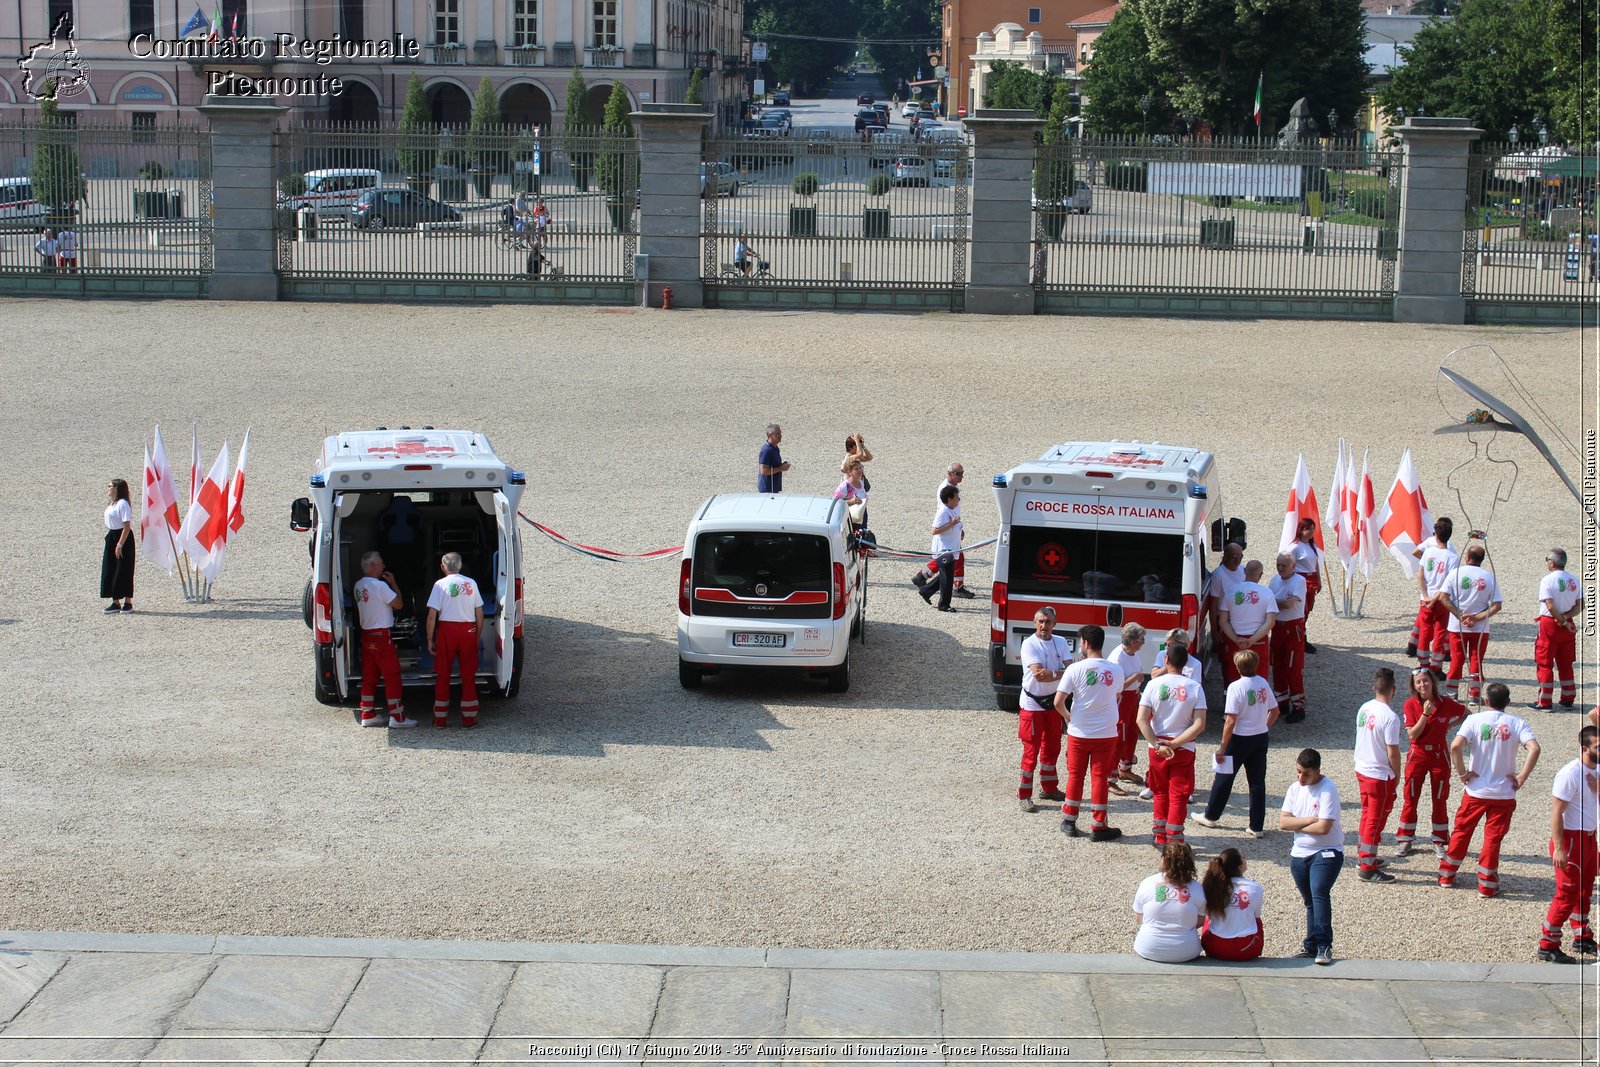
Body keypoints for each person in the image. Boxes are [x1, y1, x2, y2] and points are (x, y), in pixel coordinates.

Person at [1440, 682, 1540, 896]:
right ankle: (1486, 884)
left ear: (1486, 701)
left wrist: (1462, 773)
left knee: (1462, 831)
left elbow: (1456, 746)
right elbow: (1534, 748)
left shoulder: (1474, 720)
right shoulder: (1517, 723)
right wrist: (1521, 776)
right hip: (1503, 793)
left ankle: (1447, 874)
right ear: (1508, 702)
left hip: (1476, 790)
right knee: (1493, 838)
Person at [1194, 650, 1280, 836]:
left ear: (1237, 666)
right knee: (1257, 783)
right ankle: (1256, 826)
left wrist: (1222, 747)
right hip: (1260, 737)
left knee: (1224, 778)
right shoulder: (1263, 683)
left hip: (1240, 738)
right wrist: (1262, 726)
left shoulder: (1235, 687)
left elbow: (1230, 720)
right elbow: (1275, 711)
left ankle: (1211, 816)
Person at [1056, 624, 1125, 841]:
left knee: (1076, 776)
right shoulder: (1116, 670)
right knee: (1100, 779)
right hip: (1106, 733)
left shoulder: (1075, 669)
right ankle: (1098, 824)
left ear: (1085, 643)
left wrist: (1069, 717)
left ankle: (1069, 820)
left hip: (1079, 732)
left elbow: (1058, 702)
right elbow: (1117, 696)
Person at [1539, 725, 1600, 963]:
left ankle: (1581, 936)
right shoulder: (1570, 773)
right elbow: (1556, 813)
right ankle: (1547, 944)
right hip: (1571, 840)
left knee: (1585, 889)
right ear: (1585, 748)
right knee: (1566, 894)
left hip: (1589, 837)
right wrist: (1560, 846)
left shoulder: (1597, 771)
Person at [1279, 747, 1345, 965]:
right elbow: (1283, 823)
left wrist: (1297, 824)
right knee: (1310, 901)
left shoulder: (1328, 789)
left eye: (1306, 774)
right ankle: (1310, 946)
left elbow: (1324, 828)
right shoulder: (1294, 789)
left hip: (1327, 851)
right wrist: (1309, 820)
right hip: (1299, 853)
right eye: (1298, 772)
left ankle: (1325, 945)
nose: (1300, 778)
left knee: (1319, 893)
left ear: (1317, 772)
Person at [1137, 644, 1207, 847]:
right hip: (1183, 747)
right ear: (1186, 663)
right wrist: (1175, 744)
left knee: (1159, 792)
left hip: (1157, 747)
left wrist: (1157, 744)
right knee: (1179, 795)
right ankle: (1174, 838)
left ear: (1166, 660)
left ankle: (1159, 835)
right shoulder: (1194, 687)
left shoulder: (1153, 684)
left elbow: (1141, 720)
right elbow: (1200, 723)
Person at [1396, 667, 1468, 858]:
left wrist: (1448, 727)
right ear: (1414, 685)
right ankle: (1405, 838)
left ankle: (1439, 840)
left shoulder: (1445, 703)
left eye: (1425, 681)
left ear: (1432, 682)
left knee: (1440, 797)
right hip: (1418, 754)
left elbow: (1466, 713)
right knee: (1411, 796)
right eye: (1418, 682)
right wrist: (1425, 715)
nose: (1422, 685)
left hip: (1439, 755)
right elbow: (1412, 734)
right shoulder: (1410, 704)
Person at [353, 551, 416, 729]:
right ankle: (397, 716)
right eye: (380, 563)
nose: (383, 566)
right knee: (392, 675)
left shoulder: (359, 585)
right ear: (373, 565)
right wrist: (393, 583)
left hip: (367, 636)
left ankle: (367, 713)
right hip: (382, 636)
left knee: (370, 676)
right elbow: (398, 604)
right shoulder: (380, 586)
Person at [1353, 668, 1403, 882]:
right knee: (1376, 818)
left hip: (1362, 768)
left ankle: (1364, 853)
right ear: (1394, 690)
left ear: (1374, 688)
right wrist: (1397, 773)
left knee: (1367, 814)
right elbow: (1393, 751)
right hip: (1379, 774)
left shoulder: (1365, 708)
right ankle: (1367, 864)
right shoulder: (1390, 717)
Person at [1017, 607, 1069, 812]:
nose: (1044, 626)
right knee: (1031, 750)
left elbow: (1070, 669)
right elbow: (1039, 674)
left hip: (1053, 702)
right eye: (1040, 621)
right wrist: (1060, 673)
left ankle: (1049, 788)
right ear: (1034, 622)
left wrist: (1054, 673)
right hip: (1032, 704)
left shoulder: (1061, 642)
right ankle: (1024, 794)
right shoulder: (1029, 644)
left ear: (1054, 624)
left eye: (1048, 622)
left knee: (1052, 746)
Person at [426, 552, 485, 729]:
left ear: (442, 567)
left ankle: (440, 719)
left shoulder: (439, 585)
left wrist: (430, 638)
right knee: (468, 675)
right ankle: (469, 718)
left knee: (443, 675)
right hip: (468, 630)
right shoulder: (471, 583)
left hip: (446, 631)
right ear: (460, 565)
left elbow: (431, 616)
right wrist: (476, 636)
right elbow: (479, 614)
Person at [1442, 542, 1501, 705]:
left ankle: (1451, 692)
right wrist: (1477, 617)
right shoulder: (1488, 576)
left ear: (1467, 557)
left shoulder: (1455, 574)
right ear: (1482, 559)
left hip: (1457, 625)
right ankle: (1474, 695)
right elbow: (1497, 605)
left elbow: (1443, 598)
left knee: (1457, 658)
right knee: (1476, 659)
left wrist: (1460, 615)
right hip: (1480, 628)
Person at [1131, 842, 1206, 962]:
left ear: (1163, 859)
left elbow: (1139, 918)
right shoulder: (1197, 888)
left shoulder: (1147, 882)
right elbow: (1200, 921)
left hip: (1149, 948)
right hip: (1187, 950)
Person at [1532, 548, 1584, 711]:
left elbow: (1550, 605)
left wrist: (1560, 619)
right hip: (1567, 624)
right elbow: (1580, 604)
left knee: (1545, 662)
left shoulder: (1547, 580)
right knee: (1565, 663)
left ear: (1552, 562)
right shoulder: (1574, 580)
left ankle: (1545, 701)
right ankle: (1568, 698)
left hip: (1550, 624)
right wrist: (1566, 618)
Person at [917, 464, 973, 599]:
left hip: (953, 531)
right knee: (947, 560)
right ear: (951, 474)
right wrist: (954, 526)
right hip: (947, 534)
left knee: (953, 559)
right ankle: (953, 586)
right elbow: (947, 512)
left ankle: (923, 577)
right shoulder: (946, 489)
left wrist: (959, 528)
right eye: (960, 473)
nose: (962, 476)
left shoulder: (953, 487)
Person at [1200, 848, 1265, 961]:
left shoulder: (1212, 886)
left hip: (1214, 946)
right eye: (1244, 858)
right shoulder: (1255, 888)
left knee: (1209, 918)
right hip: (1245, 948)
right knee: (1257, 921)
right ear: (1240, 866)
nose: (1246, 860)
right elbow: (1256, 916)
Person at [1219, 560, 1275, 686]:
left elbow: (1223, 621)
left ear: (1244, 572)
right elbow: (1270, 622)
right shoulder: (1267, 593)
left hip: (1235, 643)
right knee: (1259, 681)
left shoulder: (1231, 591)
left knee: (1234, 680)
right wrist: (1252, 640)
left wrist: (1236, 639)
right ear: (1261, 575)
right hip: (1258, 642)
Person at [1414, 518, 1457, 671]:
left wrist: (1426, 596)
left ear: (1436, 536)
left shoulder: (1429, 552)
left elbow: (1420, 575)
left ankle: (1423, 664)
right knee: (1440, 632)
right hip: (1442, 600)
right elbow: (1448, 583)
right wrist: (1434, 599)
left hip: (1425, 598)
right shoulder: (1453, 557)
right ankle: (1436, 666)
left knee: (1425, 631)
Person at [1269, 552, 1307, 722]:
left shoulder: (1299, 581)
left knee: (1293, 668)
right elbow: (1279, 603)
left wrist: (1273, 601)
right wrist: (1279, 602)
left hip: (1293, 628)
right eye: (1278, 564)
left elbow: (1289, 604)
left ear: (1293, 567)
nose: (1280, 568)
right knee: (1277, 665)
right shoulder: (1274, 580)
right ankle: (1281, 702)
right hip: (1277, 627)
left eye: (1284, 565)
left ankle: (1298, 706)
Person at [1110, 623, 1148, 792]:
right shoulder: (1118, 657)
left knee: (1132, 733)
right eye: (1141, 640)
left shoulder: (1133, 653)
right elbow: (1116, 686)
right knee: (1120, 736)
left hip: (1133, 698)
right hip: (1121, 700)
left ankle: (1125, 769)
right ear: (1133, 642)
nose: (1144, 643)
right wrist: (1134, 678)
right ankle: (1109, 778)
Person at [914, 484, 961, 612]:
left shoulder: (953, 509)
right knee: (947, 577)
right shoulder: (943, 511)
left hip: (951, 547)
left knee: (947, 576)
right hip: (944, 548)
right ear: (950, 499)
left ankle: (926, 591)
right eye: (957, 497)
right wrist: (951, 525)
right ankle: (944, 604)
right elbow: (934, 530)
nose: (959, 499)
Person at [100, 477, 135, 612]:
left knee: (123, 568)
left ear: (117, 488)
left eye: (110, 486)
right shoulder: (112, 503)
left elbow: (126, 526)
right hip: (112, 535)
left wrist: (120, 544)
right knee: (110, 568)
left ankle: (128, 601)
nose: (108, 489)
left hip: (122, 537)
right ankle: (115, 601)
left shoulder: (122, 504)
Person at [1289, 517, 1323, 653]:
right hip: (1301, 579)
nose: (1311, 532)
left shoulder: (1312, 545)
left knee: (1307, 609)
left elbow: (1315, 564)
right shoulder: (1295, 547)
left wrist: (1319, 580)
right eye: (1308, 529)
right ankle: (1300, 637)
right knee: (1301, 609)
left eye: (1312, 529)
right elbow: (1287, 565)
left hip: (1312, 579)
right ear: (1301, 530)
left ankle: (1301, 635)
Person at [1204, 542, 1245, 648]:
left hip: (1239, 618)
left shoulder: (1243, 570)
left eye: (1240, 556)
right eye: (1234, 556)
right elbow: (1213, 606)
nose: (1237, 559)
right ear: (1225, 556)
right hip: (1224, 620)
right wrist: (1214, 631)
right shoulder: (1218, 575)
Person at [757, 423, 789, 493]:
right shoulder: (766, 450)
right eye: (777, 433)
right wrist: (781, 468)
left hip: (773, 488)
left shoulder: (775, 448)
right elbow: (764, 471)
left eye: (780, 433)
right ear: (769, 435)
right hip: (767, 490)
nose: (780, 436)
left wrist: (782, 465)